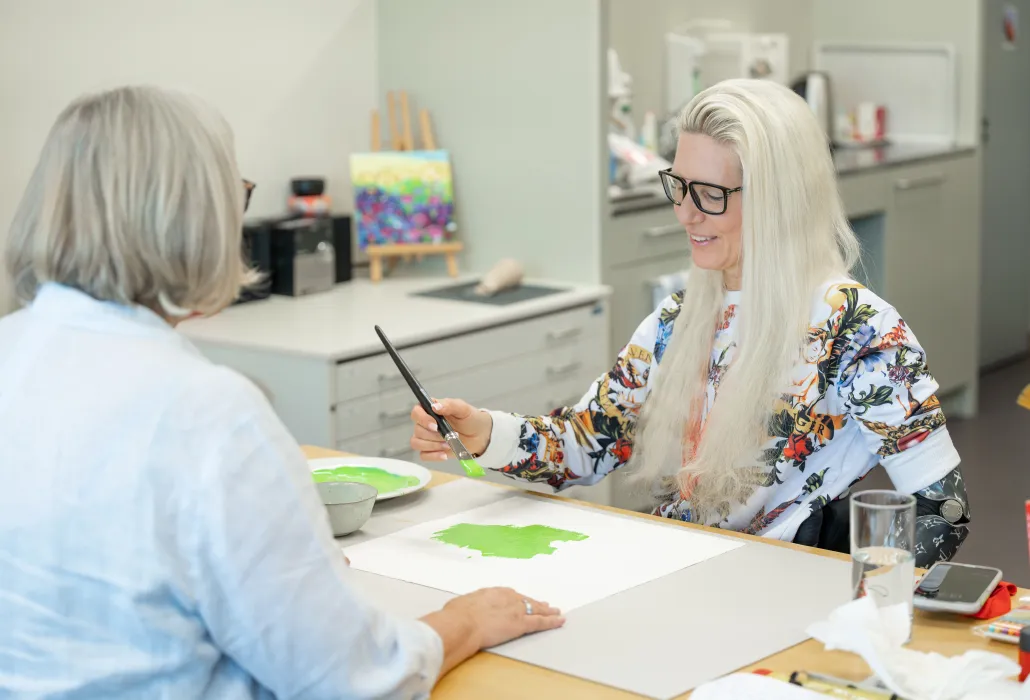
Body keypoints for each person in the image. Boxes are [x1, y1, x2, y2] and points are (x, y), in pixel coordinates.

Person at [0, 86, 562, 699]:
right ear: (193, 217)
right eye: (236, 195)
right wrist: (465, 620)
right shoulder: (207, 410)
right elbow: (351, 682)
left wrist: (281, 580)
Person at [409, 79, 970, 568]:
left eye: (710, 194)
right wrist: (483, 432)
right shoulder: (676, 320)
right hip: (673, 566)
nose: (686, 213)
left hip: (767, 592)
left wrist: (844, 596)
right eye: (678, 185)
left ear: (778, 200)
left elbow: (944, 511)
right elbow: (587, 442)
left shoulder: (857, 330)